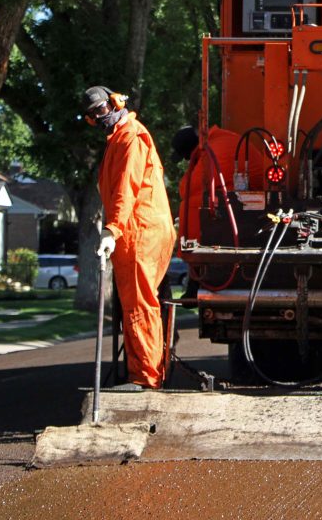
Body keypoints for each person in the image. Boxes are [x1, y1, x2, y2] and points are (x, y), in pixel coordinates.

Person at [83, 86, 176, 390]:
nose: (100, 117)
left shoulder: (130, 136)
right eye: (94, 114)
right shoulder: (118, 139)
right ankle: (143, 373)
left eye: (101, 109)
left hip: (140, 232)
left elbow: (126, 188)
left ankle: (146, 378)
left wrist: (112, 229)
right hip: (134, 231)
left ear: (115, 102)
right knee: (135, 304)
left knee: (139, 305)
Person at [171, 124, 267, 250]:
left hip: (253, 197)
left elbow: (187, 189)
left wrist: (192, 167)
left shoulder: (213, 150)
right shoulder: (219, 139)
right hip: (251, 194)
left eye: (188, 158)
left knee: (189, 205)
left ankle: (194, 257)